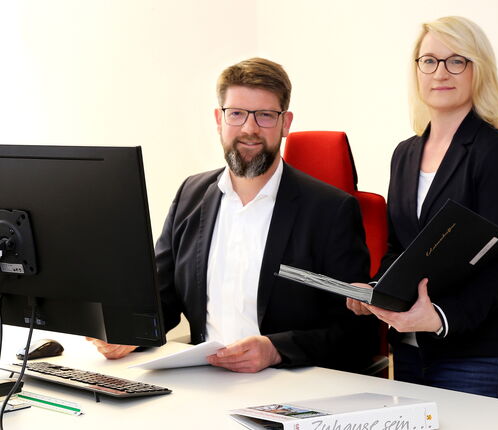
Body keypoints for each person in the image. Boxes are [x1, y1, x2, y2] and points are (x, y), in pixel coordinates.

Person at [90, 57, 376, 373]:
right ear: (219, 119)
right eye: (236, 114)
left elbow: (357, 332)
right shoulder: (190, 195)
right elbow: (163, 299)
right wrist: (128, 332)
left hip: (289, 384)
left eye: (265, 115)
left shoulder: (330, 210)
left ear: (285, 123)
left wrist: (276, 350)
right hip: (204, 379)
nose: (249, 129)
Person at [347, 16, 498, 400]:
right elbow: (401, 249)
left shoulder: (497, 155)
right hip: (411, 350)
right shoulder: (405, 153)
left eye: (456, 61)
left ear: (478, 70)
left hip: (477, 355)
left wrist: (440, 318)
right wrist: (376, 289)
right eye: (429, 61)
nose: (440, 72)